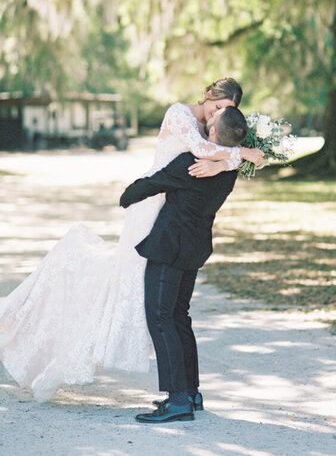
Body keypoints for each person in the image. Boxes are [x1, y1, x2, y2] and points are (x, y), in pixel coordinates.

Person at [0, 78, 263, 402]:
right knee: (140, 293)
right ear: (209, 95)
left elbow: (209, 148)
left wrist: (227, 159)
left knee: (160, 307)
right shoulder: (179, 115)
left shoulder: (214, 139)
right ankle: (181, 391)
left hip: (172, 211)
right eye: (219, 106)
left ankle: (181, 393)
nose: (217, 115)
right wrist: (242, 154)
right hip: (155, 210)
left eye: (227, 112)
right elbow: (202, 150)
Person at [119, 106, 248, 423]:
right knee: (179, 316)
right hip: (194, 247)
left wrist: (127, 195)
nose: (205, 122)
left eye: (211, 122)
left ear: (214, 135)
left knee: (161, 317)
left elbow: (146, 187)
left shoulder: (190, 164)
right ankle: (191, 393)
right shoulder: (229, 168)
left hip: (169, 248)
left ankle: (177, 401)